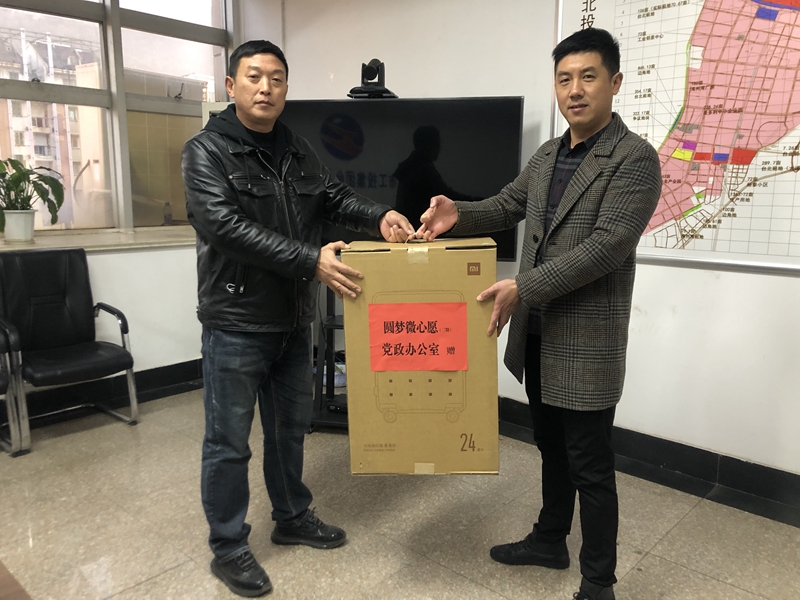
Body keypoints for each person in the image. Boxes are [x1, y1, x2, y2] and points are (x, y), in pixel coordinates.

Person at [417, 28, 661, 600]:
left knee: (590, 466)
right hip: (539, 336)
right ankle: (550, 540)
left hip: (586, 341)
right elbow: (508, 204)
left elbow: (606, 246)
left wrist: (522, 286)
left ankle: (598, 583)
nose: (574, 90)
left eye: (588, 77)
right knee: (551, 448)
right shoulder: (549, 154)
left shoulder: (634, 159)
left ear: (614, 83)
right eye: (564, 78)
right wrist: (458, 214)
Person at [182, 40, 414, 598]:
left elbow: (332, 197)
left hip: (291, 320)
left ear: (286, 88)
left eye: (277, 79)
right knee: (229, 443)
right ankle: (229, 546)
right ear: (232, 85)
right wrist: (312, 260)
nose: (266, 88)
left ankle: (291, 517)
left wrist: (379, 215)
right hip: (236, 321)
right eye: (254, 77)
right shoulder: (206, 151)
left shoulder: (297, 149)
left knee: (289, 431)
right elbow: (225, 228)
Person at [392, 125, 479, 229]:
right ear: (429, 144)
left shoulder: (412, 164)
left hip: (413, 223)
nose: (439, 148)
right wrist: (476, 203)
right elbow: (445, 194)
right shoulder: (422, 167)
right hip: (419, 224)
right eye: (437, 143)